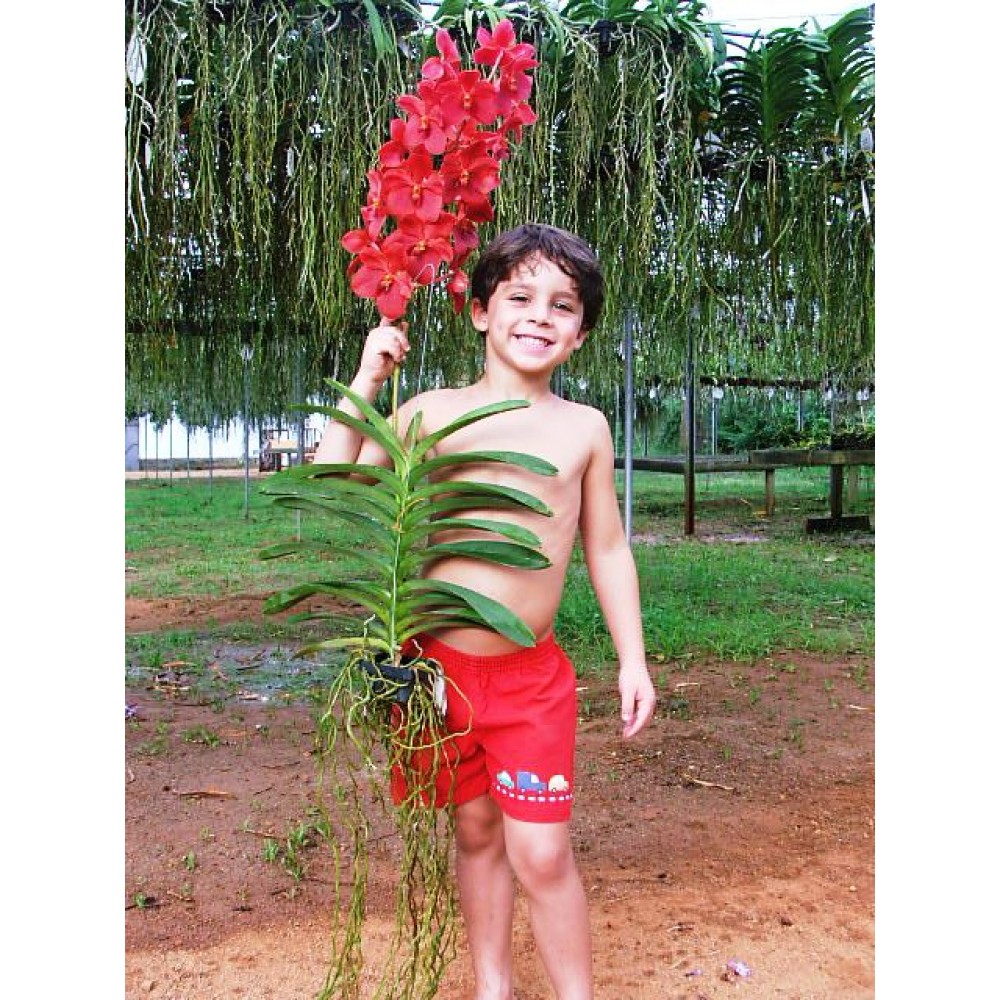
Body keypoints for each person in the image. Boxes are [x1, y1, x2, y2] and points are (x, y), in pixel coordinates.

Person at [314, 222, 656, 1000]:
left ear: (581, 333)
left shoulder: (584, 428)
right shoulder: (430, 412)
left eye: (562, 305)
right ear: (479, 311)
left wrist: (632, 660)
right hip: (439, 675)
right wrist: (368, 377)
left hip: (529, 680)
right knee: (475, 832)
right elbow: (334, 484)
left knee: (542, 852)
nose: (539, 316)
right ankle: (492, 988)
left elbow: (607, 547)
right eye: (520, 297)